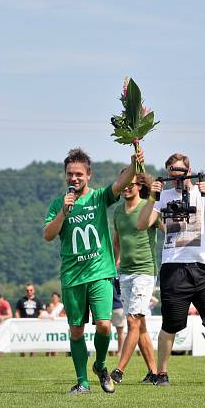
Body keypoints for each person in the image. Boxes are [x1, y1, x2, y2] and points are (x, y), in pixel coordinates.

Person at [138, 152, 205, 387]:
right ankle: (162, 373)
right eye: (172, 173)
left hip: (202, 265)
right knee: (171, 324)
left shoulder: (202, 191)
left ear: (189, 171)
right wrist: (151, 198)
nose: (177, 178)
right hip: (174, 266)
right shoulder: (162, 195)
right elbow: (142, 224)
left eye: (181, 172)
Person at [43, 146, 142, 395]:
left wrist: (134, 164)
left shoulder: (98, 198)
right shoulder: (58, 204)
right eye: (69, 174)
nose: (73, 178)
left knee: (105, 326)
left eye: (78, 174)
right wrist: (64, 212)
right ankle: (82, 382)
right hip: (72, 276)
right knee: (76, 330)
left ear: (89, 175)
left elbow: (120, 184)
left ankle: (100, 364)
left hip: (100, 272)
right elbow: (48, 235)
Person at [110, 173, 159, 385]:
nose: (126, 189)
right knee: (140, 325)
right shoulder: (118, 211)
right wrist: (114, 263)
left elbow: (169, 228)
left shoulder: (149, 208)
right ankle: (154, 372)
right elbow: (117, 241)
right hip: (125, 273)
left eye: (131, 185)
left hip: (145, 271)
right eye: (124, 186)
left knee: (132, 321)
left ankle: (118, 370)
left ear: (140, 187)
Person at [110, 281, 126, 356]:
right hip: (112, 305)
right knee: (102, 330)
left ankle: (120, 352)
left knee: (120, 331)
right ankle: (114, 352)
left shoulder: (118, 276)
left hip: (117, 305)